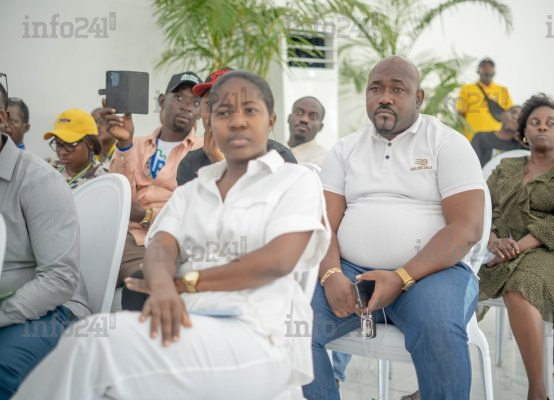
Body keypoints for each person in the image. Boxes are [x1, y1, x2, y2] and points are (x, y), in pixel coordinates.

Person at [14, 70, 330, 400]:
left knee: (97, 349)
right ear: (209, 121)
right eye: (223, 112)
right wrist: (163, 285)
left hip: (258, 334)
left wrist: (182, 284)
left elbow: (277, 261)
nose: (237, 121)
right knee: (87, 336)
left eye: (249, 110)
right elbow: (162, 245)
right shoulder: (192, 191)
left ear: (271, 120)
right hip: (186, 323)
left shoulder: (294, 181)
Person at [303, 56, 485, 400]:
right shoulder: (345, 149)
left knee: (438, 328)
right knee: (293, 326)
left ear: (419, 98)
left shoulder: (447, 143)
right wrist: (330, 274)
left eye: (397, 90)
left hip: (433, 275)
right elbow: (324, 222)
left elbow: (467, 228)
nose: (384, 97)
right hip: (351, 273)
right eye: (376, 89)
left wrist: (401, 277)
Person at [478, 94, 554, 400]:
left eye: (550, 123)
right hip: (499, 247)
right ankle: (436, 381)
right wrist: (493, 240)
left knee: (521, 285)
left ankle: (538, 392)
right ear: (524, 132)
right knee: (454, 283)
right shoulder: (505, 167)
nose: (542, 127)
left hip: (553, 252)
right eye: (535, 122)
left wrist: (513, 248)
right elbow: (482, 208)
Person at [0, 82, 90, 399]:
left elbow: (59, 278)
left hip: (52, 310)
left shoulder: (39, 180)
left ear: (1, 118)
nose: (62, 150)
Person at [100, 72, 204, 287]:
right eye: (179, 98)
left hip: (166, 241)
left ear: (201, 111)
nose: (187, 106)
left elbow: (194, 213)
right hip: (123, 236)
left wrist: (146, 215)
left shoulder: (203, 150)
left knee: (142, 280)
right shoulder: (134, 143)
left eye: (195, 102)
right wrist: (124, 145)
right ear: (162, 101)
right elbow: (119, 196)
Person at [176, 67, 296, 186]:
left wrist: (219, 161)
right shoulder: (189, 164)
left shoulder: (280, 157)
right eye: (211, 103)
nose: (218, 111)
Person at [44, 108, 105, 189]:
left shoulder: (103, 179)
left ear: (91, 143)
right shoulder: (46, 168)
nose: (62, 152)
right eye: (58, 144)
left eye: (70, 144)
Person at [457, 57, 513, 141]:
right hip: (472, 137)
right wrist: (461, 136)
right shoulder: (466, 89)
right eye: (484, 67)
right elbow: (460, 115)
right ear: (478, 70)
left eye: (491, 67)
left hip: (497, 138)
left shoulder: (503, 90)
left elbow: (510, 115)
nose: (487, 69)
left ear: (494, 71)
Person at [287, 96, 328, 167]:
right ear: (289, 118)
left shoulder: (323, 158)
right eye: (299, 113)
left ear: (320, 127)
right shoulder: (272, 150)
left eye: (313, 117)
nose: (304, 120)